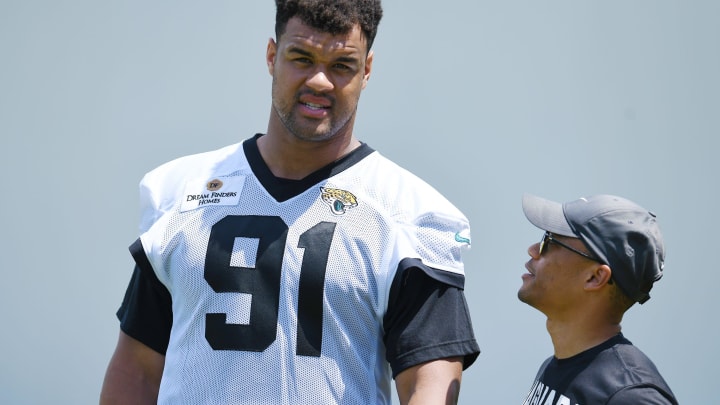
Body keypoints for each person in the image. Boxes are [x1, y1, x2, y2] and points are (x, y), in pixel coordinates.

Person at [99, 1, 480, 404]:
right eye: (302, 58)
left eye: (341, 65)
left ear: (366, 70)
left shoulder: (410, 215)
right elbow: (137, 368)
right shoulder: (182, 192)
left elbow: (430, 386)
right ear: (271, 56)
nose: (319, 80)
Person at [518, 193, 678, 404]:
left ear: (595, 277)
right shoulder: (555, 366)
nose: (532, 250)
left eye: (549, 240)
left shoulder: (631, 396)